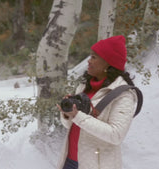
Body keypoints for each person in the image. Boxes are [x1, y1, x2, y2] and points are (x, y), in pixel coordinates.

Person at [57, 35, 138, 169]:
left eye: (94, 57)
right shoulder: (84, 86)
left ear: (108, 62)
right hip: (69, 161)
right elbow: (71, 126)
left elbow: (116, 135)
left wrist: (78, 116)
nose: (88, 61)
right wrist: (67, 115)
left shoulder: (123, 94)